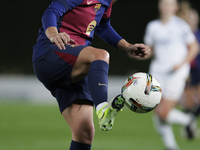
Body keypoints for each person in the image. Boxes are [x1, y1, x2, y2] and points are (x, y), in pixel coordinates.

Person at [32, 0, 150, 149]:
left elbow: (103, 26)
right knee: (100, 55)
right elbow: (51, 11)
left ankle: (102, 111)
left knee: (84, 133)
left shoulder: (107, 2)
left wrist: (127, 46)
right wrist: (53, 34)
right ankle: (102, 109)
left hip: (73, 65)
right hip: (50, 53)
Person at [144, 0, 199, 150]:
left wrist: (182, 64)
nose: (166, 7)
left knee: (163, 113)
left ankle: (188, 119)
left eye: (169, 4)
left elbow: (194, 47)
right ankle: (171, 146)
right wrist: (139, 53)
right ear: (159, 6)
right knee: (157, 113)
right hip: (157, 72)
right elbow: (151, 50)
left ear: (175, 7)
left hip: (176, 74)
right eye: (164, 4)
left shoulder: (181, 26)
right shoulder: (153, 26)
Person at [177, 1, 200, 118]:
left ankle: (191, 117)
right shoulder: (183, 32)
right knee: (188, 92)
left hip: (196, 67)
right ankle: (189, 117)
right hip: (187, 66)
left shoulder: (195, 34)